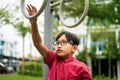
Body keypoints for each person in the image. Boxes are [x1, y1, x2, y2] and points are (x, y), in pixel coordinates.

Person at [26, 4, 92, 80]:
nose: (59, 46)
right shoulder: (53, 58)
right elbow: (38, 43)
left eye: (63, 42)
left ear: (74, 48)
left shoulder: (81, 68)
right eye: (57, 43)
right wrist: (34, 24)